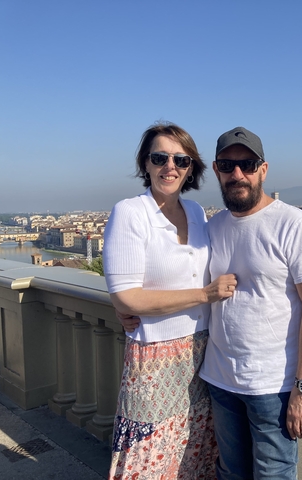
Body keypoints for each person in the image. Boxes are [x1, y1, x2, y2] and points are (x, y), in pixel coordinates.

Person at [103, 122, 237, 479]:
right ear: (145, 163)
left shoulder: (196, 213)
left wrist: (130, 304)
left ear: (191, 167)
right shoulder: (130, 212)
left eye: (181, 159)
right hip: (154, 357)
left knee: (194, 452)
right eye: (160, 157)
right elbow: (127, 294)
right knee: (147, 458)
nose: (170, 166)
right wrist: (204, 295)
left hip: (203, 351)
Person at [198, 126, 302, 479]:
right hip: (220, 378)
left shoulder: (295, 225)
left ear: (263, 169)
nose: (237, 173)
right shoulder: (212, 228)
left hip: (274, 386)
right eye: (228, 165)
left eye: (248, 164)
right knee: (230, 473)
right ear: (216, 170)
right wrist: (130, 307)